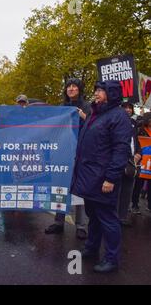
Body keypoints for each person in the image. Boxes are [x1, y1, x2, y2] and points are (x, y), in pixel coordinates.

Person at [72, 80, 132, 273]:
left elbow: (120, 150)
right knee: (94, 217)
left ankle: (112, 259)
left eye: (101, 91)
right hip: (90, 176)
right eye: (96, 90)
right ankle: (91, 248)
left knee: (107, 218)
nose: (96, 93)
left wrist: (111, 178)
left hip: (103, 179)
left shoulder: (119, 116)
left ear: (112, 94)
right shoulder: (95, 114)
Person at [45, 78, 90, 239]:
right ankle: (58, 222)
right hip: (62, 153)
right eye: (68, 86)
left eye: (74, 86)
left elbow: (94, 126)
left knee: (79, 188)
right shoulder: (62, 108)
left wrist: (82, 115)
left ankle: (80, 225)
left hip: (80, 154)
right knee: (60, 187)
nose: (71, 89)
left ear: (79, 89)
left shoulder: (87, 106)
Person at [117, 102, 141, 225]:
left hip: (131, 162)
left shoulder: (134, 124)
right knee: (117, 191)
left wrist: (138, 153)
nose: (128, 110)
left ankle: (122, 217)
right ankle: (113, 218)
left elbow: (136, 141)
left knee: (127, 191)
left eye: (130, 108)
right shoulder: (116, 122)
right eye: (125, 108)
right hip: (119, 160)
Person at [131, 112, 151, 214]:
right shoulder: (140, 130)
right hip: (142, 161)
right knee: (138, 184)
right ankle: (134, 204)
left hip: (150, 163)